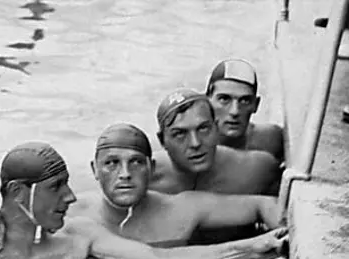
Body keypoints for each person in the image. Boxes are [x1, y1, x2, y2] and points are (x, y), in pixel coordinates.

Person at [0, 141, 287, 259]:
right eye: (56, 188)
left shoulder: (79, 237)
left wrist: (254, 247)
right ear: (18, 193)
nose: (71, 198)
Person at [73, 123, 279, 245]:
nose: (125, 174)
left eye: (136, 162)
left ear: (151, 168)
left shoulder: (183, 209)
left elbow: (263, 205)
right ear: (94, 170)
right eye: (112, 163)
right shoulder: (72, 215)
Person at [151, 88, 281, 196]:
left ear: (216, 128)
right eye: (180, 134)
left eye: (203, 129)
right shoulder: (145, 180)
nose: (195, 143)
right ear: (162, 141)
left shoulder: (256, 170)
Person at [205, 59, 284, 162]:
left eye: (245, 101)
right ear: (207, 102)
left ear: (256, 105)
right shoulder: (194, 147)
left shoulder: (271, 140)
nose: (235, 111)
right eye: (224, 99)